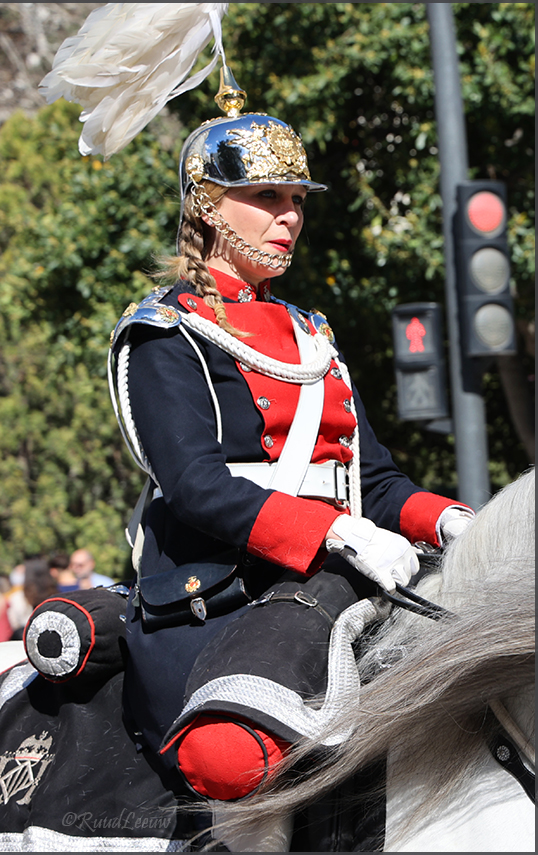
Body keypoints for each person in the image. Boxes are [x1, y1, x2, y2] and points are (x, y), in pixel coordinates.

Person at [106, 65, 475, 820]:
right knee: (230, 756)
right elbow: (196, 484)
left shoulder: (312, 332)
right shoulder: (165, 332)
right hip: (218, 596)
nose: (289, 218)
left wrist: (450, 521)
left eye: (297, 201)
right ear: (208, 206)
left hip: (339, 578)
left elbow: (374, 483)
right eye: (267, 197)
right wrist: (334, 531)